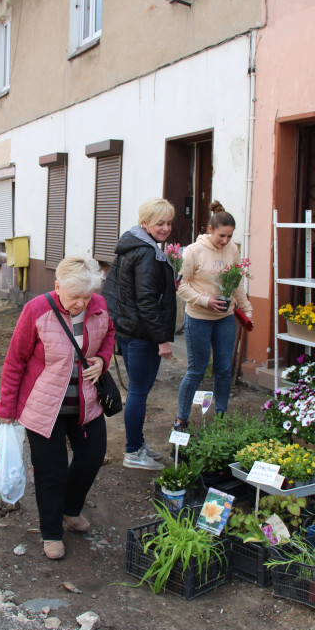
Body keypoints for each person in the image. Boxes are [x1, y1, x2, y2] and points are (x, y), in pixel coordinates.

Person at [0, 257, 115, 560]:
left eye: (86, 297)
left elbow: (109, 334)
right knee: (52, 471)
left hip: (86, 404)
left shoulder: (98, 304)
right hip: (43, 406)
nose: (81, 303)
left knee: (91, 458)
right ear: (57, 286)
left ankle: (70, 509)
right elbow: (15, 360)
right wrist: (7, 407)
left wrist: (102, 359)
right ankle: (51, 532)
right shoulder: (36, 310)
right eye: (74, 296)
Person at [103, 198, 177, 470]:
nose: (166, 227)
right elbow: (146, 301)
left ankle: (138, 443)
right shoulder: (146, 253)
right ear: (145, 223)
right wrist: (162, 340)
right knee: (138, 392)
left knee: (138, 391)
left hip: (131, 330)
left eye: (169, 222)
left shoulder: (134, 246)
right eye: (160, 222)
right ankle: (133, 451)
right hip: (142, 334)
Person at [174, 201, 252, 432]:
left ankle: (220, 417)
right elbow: (180, 285)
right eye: (221, 236)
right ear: (210, 230)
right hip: (198, 318)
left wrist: (246, 309)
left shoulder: (233, 250)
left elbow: (236, 283)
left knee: (223, 369)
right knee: (196, 370)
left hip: (225, 319)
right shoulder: (193, 251)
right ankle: (181, 420)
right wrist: (204, 300)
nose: (225, 241)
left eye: (229, 236)